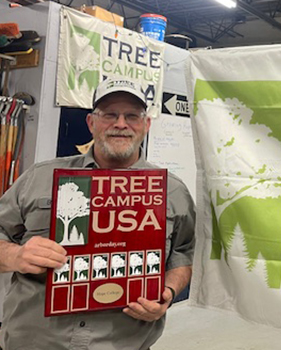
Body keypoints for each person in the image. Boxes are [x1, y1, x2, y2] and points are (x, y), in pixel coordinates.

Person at [0, 78, 195, 349]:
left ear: (146, 125)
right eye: (110, 115)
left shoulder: (171, 191)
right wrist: (16, 256)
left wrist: (168, 293)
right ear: (91, 123)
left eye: (132, 116)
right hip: (34, 341)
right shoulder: (40, 177)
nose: (121, 124)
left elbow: (182, 254)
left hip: (123, 342)